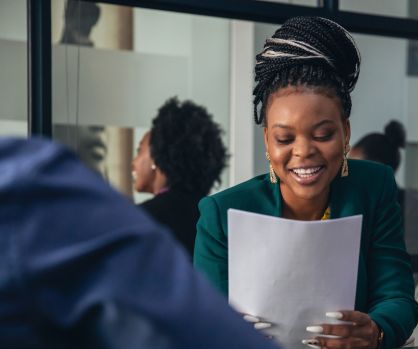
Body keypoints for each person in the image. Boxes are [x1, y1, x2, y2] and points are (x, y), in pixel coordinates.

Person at [194, 16, 418, 349]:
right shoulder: (222, 214)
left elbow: (397, 295)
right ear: (267, 142)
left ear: (345, 133)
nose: (303, 151)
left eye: (322, 134)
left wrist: (375, 331)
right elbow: (199, 321)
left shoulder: (373, 186)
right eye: (285, 138)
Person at [0, 136, 279, 349]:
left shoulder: (25, 191)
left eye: (139, 151)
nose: (133, 162)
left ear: (158, 158)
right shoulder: (29, 181)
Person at [132, 97, 227, 258]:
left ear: (156, 154)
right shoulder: (217, 218)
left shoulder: (142, 220)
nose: (134, 162)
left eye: (139, 150)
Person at [348, 120, 418, 257]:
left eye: (358, 170)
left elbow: (410, 264)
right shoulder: (354, 203)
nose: (350, 176)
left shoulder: (412, 208)